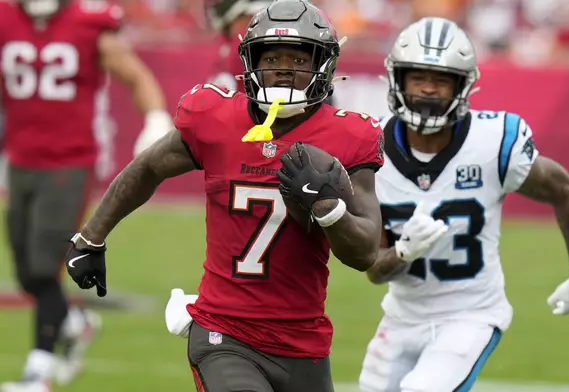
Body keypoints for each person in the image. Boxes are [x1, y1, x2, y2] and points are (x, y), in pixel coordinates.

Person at [64, 1, 384, 391]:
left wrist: (328, 207)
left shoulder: (347, 138)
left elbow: (365, 251)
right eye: (272, 56)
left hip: (304, 343)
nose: (283, 68)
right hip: (225, 333)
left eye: (297, 58)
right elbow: (147, 167)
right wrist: (91, 236)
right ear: (249, 60)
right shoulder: (215, 118)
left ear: (323, 66)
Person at [358, 17, 569, 392]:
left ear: (463, 85)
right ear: (397, 79)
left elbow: (564, 191)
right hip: (400, 318)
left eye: (441, 80)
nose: (428, 90)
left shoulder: (494, 142)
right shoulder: (368, 147)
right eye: (418, 77)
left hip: (470, 315)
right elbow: (374, 270)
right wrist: (404, 252)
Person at [0, 0, 174, 390]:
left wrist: (155, 117)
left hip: (68, 163)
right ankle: (72, 322)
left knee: (45, 267)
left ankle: (39, 371)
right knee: (27, 273)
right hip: (20, 161)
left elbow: (135, 75)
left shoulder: (87, 22)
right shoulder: (6, 19)